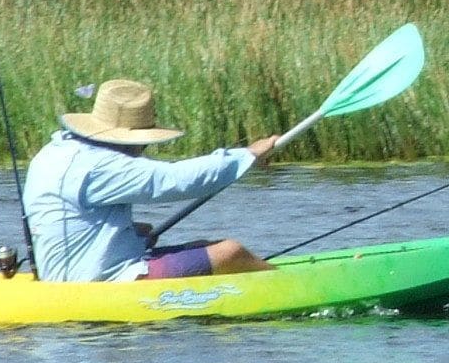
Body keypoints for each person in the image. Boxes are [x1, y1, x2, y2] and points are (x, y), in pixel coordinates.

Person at [21, 78, 280, 283]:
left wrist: (129, 234)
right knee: (230, 253)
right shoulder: (101, 166)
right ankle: (289, 288)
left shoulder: (55, 152)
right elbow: (174, 180)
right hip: (99, 280)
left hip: (65, 271)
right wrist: (248, 155)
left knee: (204, 247)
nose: (143, 147)